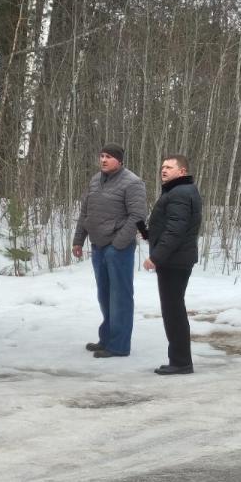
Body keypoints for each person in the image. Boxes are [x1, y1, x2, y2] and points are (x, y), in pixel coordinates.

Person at [72, 144, 148, 358]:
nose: (104, 160)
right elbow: (85, 212)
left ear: (120, 161)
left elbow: (138, 217)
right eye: (102, 156)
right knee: (104, 295)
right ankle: (106, 339)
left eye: (109, 157)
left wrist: (117, 245)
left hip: (118, 249)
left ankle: (119, 346)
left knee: (120, 297)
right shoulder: (96, 180)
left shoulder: (133, 183)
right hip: (98, 247)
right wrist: (79, 240)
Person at [143, 155, 202, 376]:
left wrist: (156, 257)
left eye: (169, 167)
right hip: (175, 258)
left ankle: (181, 362)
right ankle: (179, 360)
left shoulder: (180, 193)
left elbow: (176, 231)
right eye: (162, 167)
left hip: (174, 261)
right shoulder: (179, 191)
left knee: (173, 311)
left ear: (182, 171)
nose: (164, 170)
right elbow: (171, 226)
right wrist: (148, 233)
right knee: (173, 309)